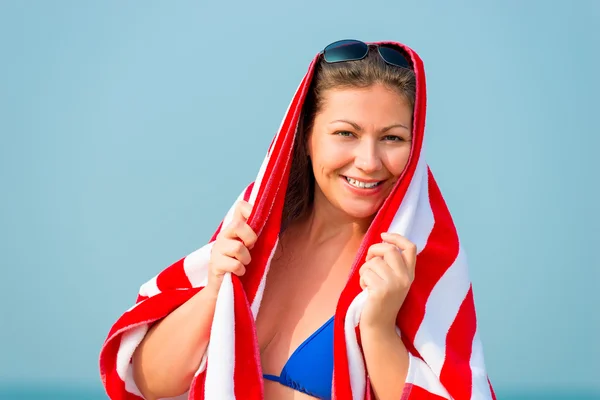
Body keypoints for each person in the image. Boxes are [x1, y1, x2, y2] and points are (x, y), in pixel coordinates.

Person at [99, 40, 495, 400]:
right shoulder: (252, 235)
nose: (369, 161)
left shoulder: (413, 267)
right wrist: (214, 291)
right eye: (345, 133)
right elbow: (144, 382)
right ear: (306, 135)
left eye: (392, 138)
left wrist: (377, 328)